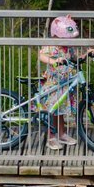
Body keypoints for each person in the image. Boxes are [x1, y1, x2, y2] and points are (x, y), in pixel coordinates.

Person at [37, 15, 84, 150]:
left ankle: (62, 134)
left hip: (65, 84)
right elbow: (41, 55)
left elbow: (74, 59)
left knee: (61, 111)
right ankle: (50, 138)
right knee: (52, 111)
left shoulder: (69, 48)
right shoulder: (52, 46)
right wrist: (54, 61)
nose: (69, 41)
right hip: (53, 85)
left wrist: (86, 55)